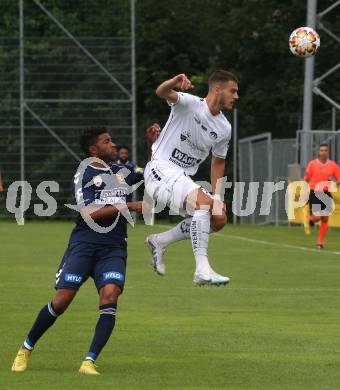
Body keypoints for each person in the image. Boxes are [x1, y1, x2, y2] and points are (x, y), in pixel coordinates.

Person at [11, 126, 153, 375]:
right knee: (62, 301)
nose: (113, 145)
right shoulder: (84, 174)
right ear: (93, 149)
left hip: (114, 248)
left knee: (110, 296)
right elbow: (89, 213)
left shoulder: (122, 170)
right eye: (107, 141)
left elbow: (151, 173)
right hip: (84, 245)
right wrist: (127, 204)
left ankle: (89, 361)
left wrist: (154, 146)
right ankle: (26, 348)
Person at [144, 70, 239, 286]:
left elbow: (218, 162)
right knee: (203, 206)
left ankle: (159, 241)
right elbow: (162, 91)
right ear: (217, 89)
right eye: (232, 91)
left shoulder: (224, 128)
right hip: (160, 170)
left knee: (219, 218)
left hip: (181, 178)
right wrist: (173, 81)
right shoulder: (189, 103)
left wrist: (217, 196)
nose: (236, 96)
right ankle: (202, 270)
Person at [304, 143, 340, 248]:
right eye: (322, 150)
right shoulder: (312, 164)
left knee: (325, 219)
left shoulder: (333, 165)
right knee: (317, 217)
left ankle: (320, 242)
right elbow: (306, 178)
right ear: (319, 152)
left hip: (326, 193)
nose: (323, 152)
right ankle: (311, 219)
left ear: (328, 152)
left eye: (325, 150)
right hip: (314, 192)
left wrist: (337, 183)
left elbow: (338, 178)